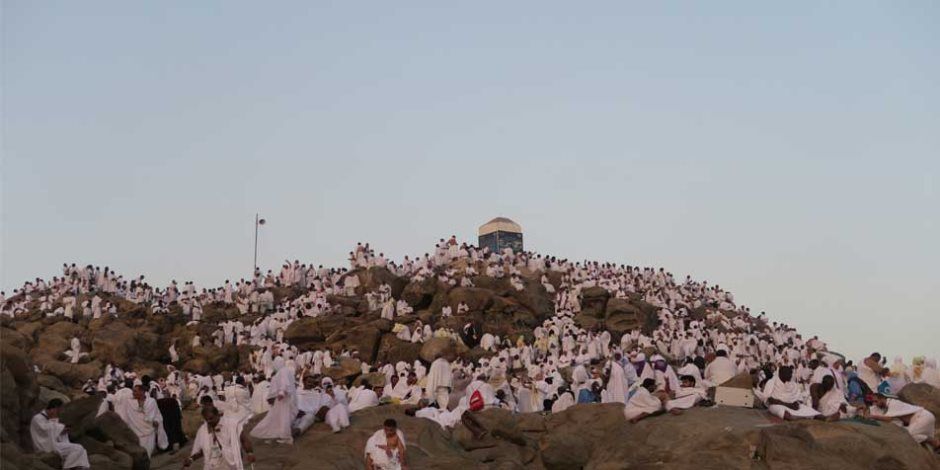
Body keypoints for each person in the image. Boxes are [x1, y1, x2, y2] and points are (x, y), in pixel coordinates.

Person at [184, 405, 256, 470]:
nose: (209, 421)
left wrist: (250, 453)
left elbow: (243, 439)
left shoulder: (232, 424)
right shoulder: (203, 430)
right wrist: (191, 459)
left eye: (211, 418)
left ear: (218, 415)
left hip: (230, 465)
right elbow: (202, 450)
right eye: (206, 420)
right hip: (212, 466)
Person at [30, 399, 90, 470]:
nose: (60, 412)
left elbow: (53, 430)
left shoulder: (49, 418)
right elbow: (46, 430)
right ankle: (67, 467)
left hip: (52, 442)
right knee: (77, 448)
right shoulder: (38, 418)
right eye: (59, 409)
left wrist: (62, 431)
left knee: (83, 450)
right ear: (55, 407)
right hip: (45, 445)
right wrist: (56, 422)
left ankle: (82, 467)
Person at [250, 357, 297, 444]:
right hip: (287, 398)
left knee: (283, 417)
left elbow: (285, 384)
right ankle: (281, 434)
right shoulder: (286, 371)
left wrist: (281, 393)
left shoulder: (282, 371)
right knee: (279, 417)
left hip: (283, 399)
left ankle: (286, 437)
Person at [868, 394, 939, 449]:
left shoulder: (893, 403)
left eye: (876, 401)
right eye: (873, 402)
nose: (875, 404)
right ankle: (935, 445)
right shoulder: (887, 407)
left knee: (910, 436)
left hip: (923, 417)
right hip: (919, 419)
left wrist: (873, 417)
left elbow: (888, 418)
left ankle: (934, 441)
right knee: (915, 437)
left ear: (882, 398)